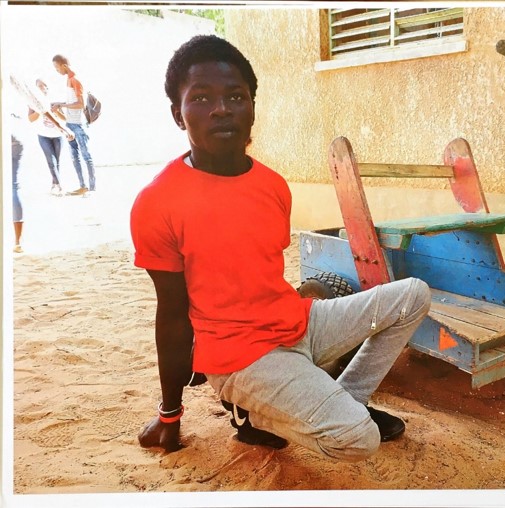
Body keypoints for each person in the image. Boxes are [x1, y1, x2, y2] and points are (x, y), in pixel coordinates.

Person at [130, 35, 431, 461]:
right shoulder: (157, 202)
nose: (221, 108)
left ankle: (347, 397)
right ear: (178, 115)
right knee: (359, 440)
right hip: (240, 356)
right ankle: (252, 414)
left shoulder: (272, 186)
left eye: (236, 96)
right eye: (201, 97)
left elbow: (259, 274)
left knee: (413, 294)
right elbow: (173, 316)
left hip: (299, 323)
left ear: (252, 108)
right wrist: (169, 415)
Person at [50, 54, 96, 195]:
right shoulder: (68, 80)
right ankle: (82, 186)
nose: (57, 71)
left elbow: (81, 104)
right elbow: (71, 104)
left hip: (79, 125)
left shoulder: (75, 80)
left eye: (57, 68)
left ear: (64, 66)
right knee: (75, 157)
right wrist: (58, 107)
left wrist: (61, 104)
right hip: (70, 124)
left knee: (86, 156)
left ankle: (92, 188)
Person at [28, 78, 74, 195]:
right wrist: (39, 109)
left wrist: (57, 111)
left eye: (43, 86)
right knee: (51, 161)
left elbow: (64, 118)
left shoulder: (55, 100)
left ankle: (54, 185)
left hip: (57, 136)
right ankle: (60, 186)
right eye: (39, 86)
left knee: (56, 162)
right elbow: (30, 119)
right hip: (43, 135)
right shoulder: (32, 102)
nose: (41, 88)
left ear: (47, 88)